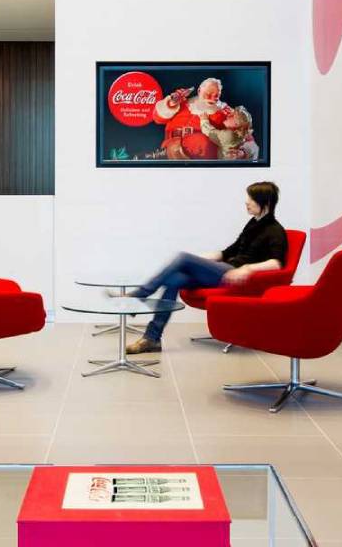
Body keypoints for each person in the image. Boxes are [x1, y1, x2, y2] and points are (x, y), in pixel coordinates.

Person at [121, 181, 287, 354]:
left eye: (251, 198)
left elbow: (277, 263)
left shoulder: (275, 230)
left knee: (182, 257)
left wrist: (247, 269)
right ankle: (152, 338)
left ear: (265, 202)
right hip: (224, 269)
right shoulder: (252, 224)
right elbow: (227, 252)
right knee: (174, 279)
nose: (247, 202)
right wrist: (197, 260)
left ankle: (139, 295)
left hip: (235, 277)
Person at [149, 77, 228, 160]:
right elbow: (157, 119)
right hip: (166, 148)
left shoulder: (222, 113)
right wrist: (171, 103)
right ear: (199, 91)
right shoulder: (183, 103)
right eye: (208, 94)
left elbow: (231, 138)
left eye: (216, 96)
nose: (212, 99)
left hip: (196, 159)